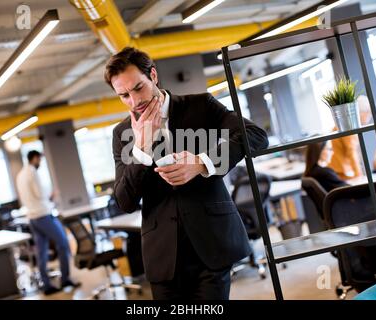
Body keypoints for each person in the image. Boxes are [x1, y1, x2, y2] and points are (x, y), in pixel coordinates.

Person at [106, 47, 268, 300]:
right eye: (124, 95)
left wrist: (202, 163)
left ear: (154, 76)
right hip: (163, 256)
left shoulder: (201, 106)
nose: (134, 101)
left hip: (211, 244)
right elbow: (124, 201)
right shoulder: (122, 134)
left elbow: (256, 135)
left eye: (138, 88)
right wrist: (140, 150)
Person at [16, 150, 80, 295]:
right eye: (40, 159)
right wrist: (51, 196)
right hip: (43, 215)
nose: (40, 163)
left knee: (42, 252)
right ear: (35, 158)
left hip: (32, 218)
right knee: (63, 244)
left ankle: (46, 285)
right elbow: (41, 194)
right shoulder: (32, 172)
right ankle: (65, 280)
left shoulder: (20, 175)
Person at [328, 95, 372, 180]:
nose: (369, 116)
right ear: (361, 112)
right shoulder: (349, 125)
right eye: (368, 113)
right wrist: (360, 175)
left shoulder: (345, 123)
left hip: (339, 170)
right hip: (341, 172)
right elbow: (351, 152)